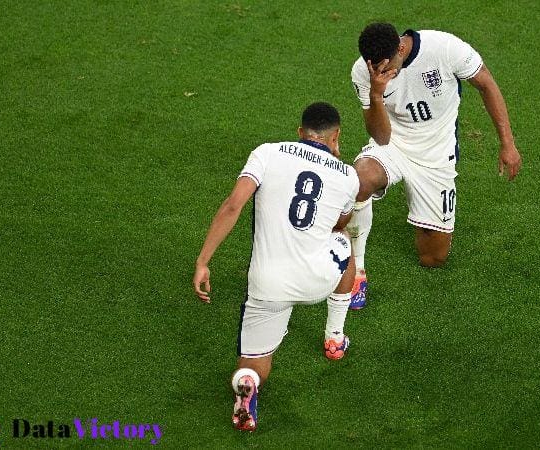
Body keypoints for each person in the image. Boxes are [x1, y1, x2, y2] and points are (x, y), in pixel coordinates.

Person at [193, 102, 360, 431]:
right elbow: (340, 222)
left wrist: (203, 261)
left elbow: (233, 206)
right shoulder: (348, 176)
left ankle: (248, 383)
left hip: (268, 285)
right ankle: (335, 338)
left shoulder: (267, 153)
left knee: (254, 363)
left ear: (300, 133)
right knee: (344, 244)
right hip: (318, 277)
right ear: (336, 135)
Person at [346, 23, 522, 309]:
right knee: (359, 181)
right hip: (394, 144)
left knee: (433, 258)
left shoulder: (445, 48)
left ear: (400, 49)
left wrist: (507, 143)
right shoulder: (363, 72)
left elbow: (486, 84)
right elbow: (381, 136)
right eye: (374, 69)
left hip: (436, 156)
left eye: (386, 67)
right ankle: (356, 270)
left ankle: (422, 208)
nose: (381, 73)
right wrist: (377, 94)